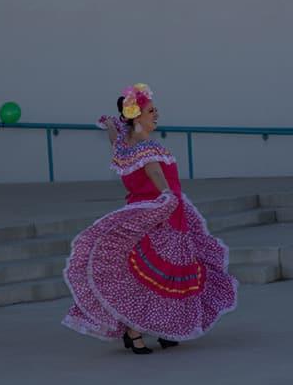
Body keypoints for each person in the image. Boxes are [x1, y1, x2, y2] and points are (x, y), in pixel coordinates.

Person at [62, 84, 237, 354]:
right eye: (151, 111)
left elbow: (115, 136)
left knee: (148, 273)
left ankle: (162, 327)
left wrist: (112, 124)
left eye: (156, 110)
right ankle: (135, 331)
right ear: (136, 115)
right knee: (162, 275)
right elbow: (155, 174)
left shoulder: (123, 144)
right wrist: (167, 193)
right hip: (162, 215)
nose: (156, 115)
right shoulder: (147, 148)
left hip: (140, 215)